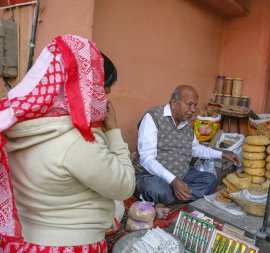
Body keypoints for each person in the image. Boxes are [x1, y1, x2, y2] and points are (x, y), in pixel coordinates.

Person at [0, 34, 135, 252]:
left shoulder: (13, 125)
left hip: (23, 239)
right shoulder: (75, 141)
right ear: (86, 92)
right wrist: (114, 133)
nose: (103, 104)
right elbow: (125, 187)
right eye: (103, 94)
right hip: (69, 244)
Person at [134, 85, 241, 209]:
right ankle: (170, 195)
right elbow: (147, 159)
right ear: (174, 103)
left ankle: (166, 198)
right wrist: (173, 181)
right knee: (156, 188)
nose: (193, 110)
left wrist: (222, 154)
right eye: (189, 104)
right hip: (152, 176)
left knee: (210, 180)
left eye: (195, 105)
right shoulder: (153, 117)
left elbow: (195, 149)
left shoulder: (187, 124)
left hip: (181, 173)